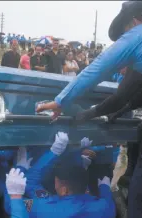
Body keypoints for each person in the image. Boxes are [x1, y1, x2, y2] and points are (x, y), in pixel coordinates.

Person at [36, 2, 142, 217]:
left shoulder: (138, 34)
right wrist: (118, 112)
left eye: (124, 33)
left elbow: (99, 68)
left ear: (133, 22)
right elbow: (131, 95)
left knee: (138, 194)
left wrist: (62, 102)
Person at [6, 165, 115, 218]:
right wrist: (104, 187)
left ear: (64, 190)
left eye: (56, 184)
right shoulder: (104, 207)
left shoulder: (42, 207)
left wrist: (15, 196)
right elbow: (107, 199)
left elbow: (10, 205)